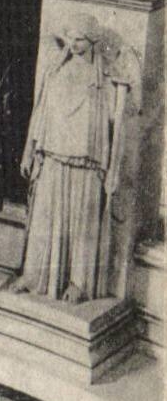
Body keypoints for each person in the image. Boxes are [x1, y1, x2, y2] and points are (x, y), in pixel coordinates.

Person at [12, 16, 131, 304]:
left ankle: (79, 283)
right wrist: (31, 149)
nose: (74, 45)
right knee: (44, 217)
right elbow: (42, 112)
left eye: (80, 39)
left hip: (86, 163)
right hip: (53, 155)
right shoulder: (57, 72)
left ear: (92, 42)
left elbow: (114, 126)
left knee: (83, 225)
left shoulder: (102, 79)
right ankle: (35, 277)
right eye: (71, 39)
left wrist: (112, 166)